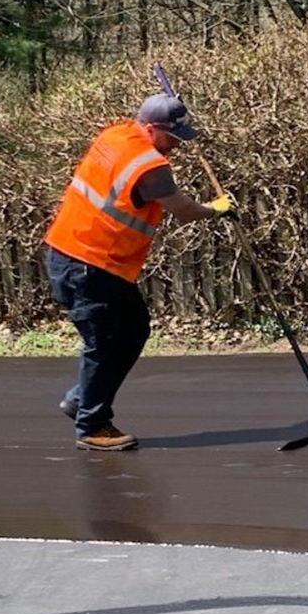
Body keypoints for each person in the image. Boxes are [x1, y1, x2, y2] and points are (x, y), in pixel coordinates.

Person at [43, 92, 235, 450]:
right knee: (103, 344)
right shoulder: (150, 167)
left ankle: (82, 398)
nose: (176, 145)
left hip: (96, 259)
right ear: (149, 129)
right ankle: (92, 427)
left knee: (134, 330)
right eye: (171, 137)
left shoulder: (116, 134)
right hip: (84, 263)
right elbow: (183, 209)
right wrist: (217, 209)